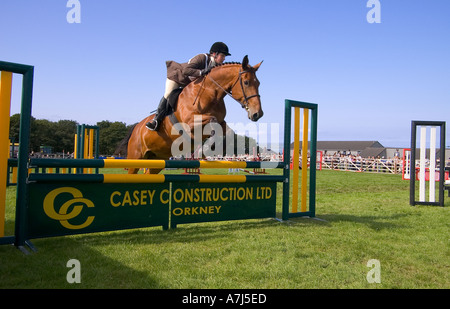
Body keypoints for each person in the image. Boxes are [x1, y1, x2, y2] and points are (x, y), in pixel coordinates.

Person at [146, 42, 231, 131]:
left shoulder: (216, 66)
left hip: (189, 83)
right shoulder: (202, 58)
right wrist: (201, 72)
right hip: (178, 77)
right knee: (168, 94)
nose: (224, 58)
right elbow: (186, 70)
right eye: (223, 55)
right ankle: (156, 120)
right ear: (215, 54)